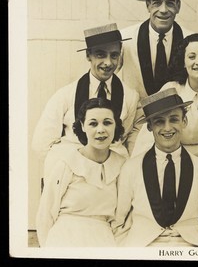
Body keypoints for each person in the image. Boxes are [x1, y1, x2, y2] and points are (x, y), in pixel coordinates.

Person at [31, 23, 141, 182]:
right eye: (100, 55)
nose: (108, 62)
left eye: (114, 55)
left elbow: (124, 139)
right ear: (88, 55)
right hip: (74, 177)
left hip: (112, 177)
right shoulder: (65, 95)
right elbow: (41, 144)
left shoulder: (130, 97)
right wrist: (68, 172)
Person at [112, 88, 198, 247]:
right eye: (159, 121)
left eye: (174, 119)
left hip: (188, 245)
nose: (167, 128)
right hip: (143, 245)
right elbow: (119, 221)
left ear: (184, 121)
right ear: (149, 127)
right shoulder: (131, 168)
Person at [132, 33, 198, 158]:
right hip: (179, 160)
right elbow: (148, 137)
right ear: (183, 62)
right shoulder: (171, 90)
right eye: (191, 57)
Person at [36, 98, 126, 247]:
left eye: (107, 122)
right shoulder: (66, 163)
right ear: (83, 126)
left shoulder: (122, 165)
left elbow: (123, 216)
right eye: (93, 123)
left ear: (116, 125)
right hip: (65, 236)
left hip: (104, 239)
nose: (101, 129)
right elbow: (45, 213)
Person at [117, 0, 193, 99]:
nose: (163, 10)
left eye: (170, 3)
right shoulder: (125, 38)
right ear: (148, 6)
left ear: (178, 6)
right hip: (136, 115)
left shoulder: (191, 40)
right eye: (156, 3)